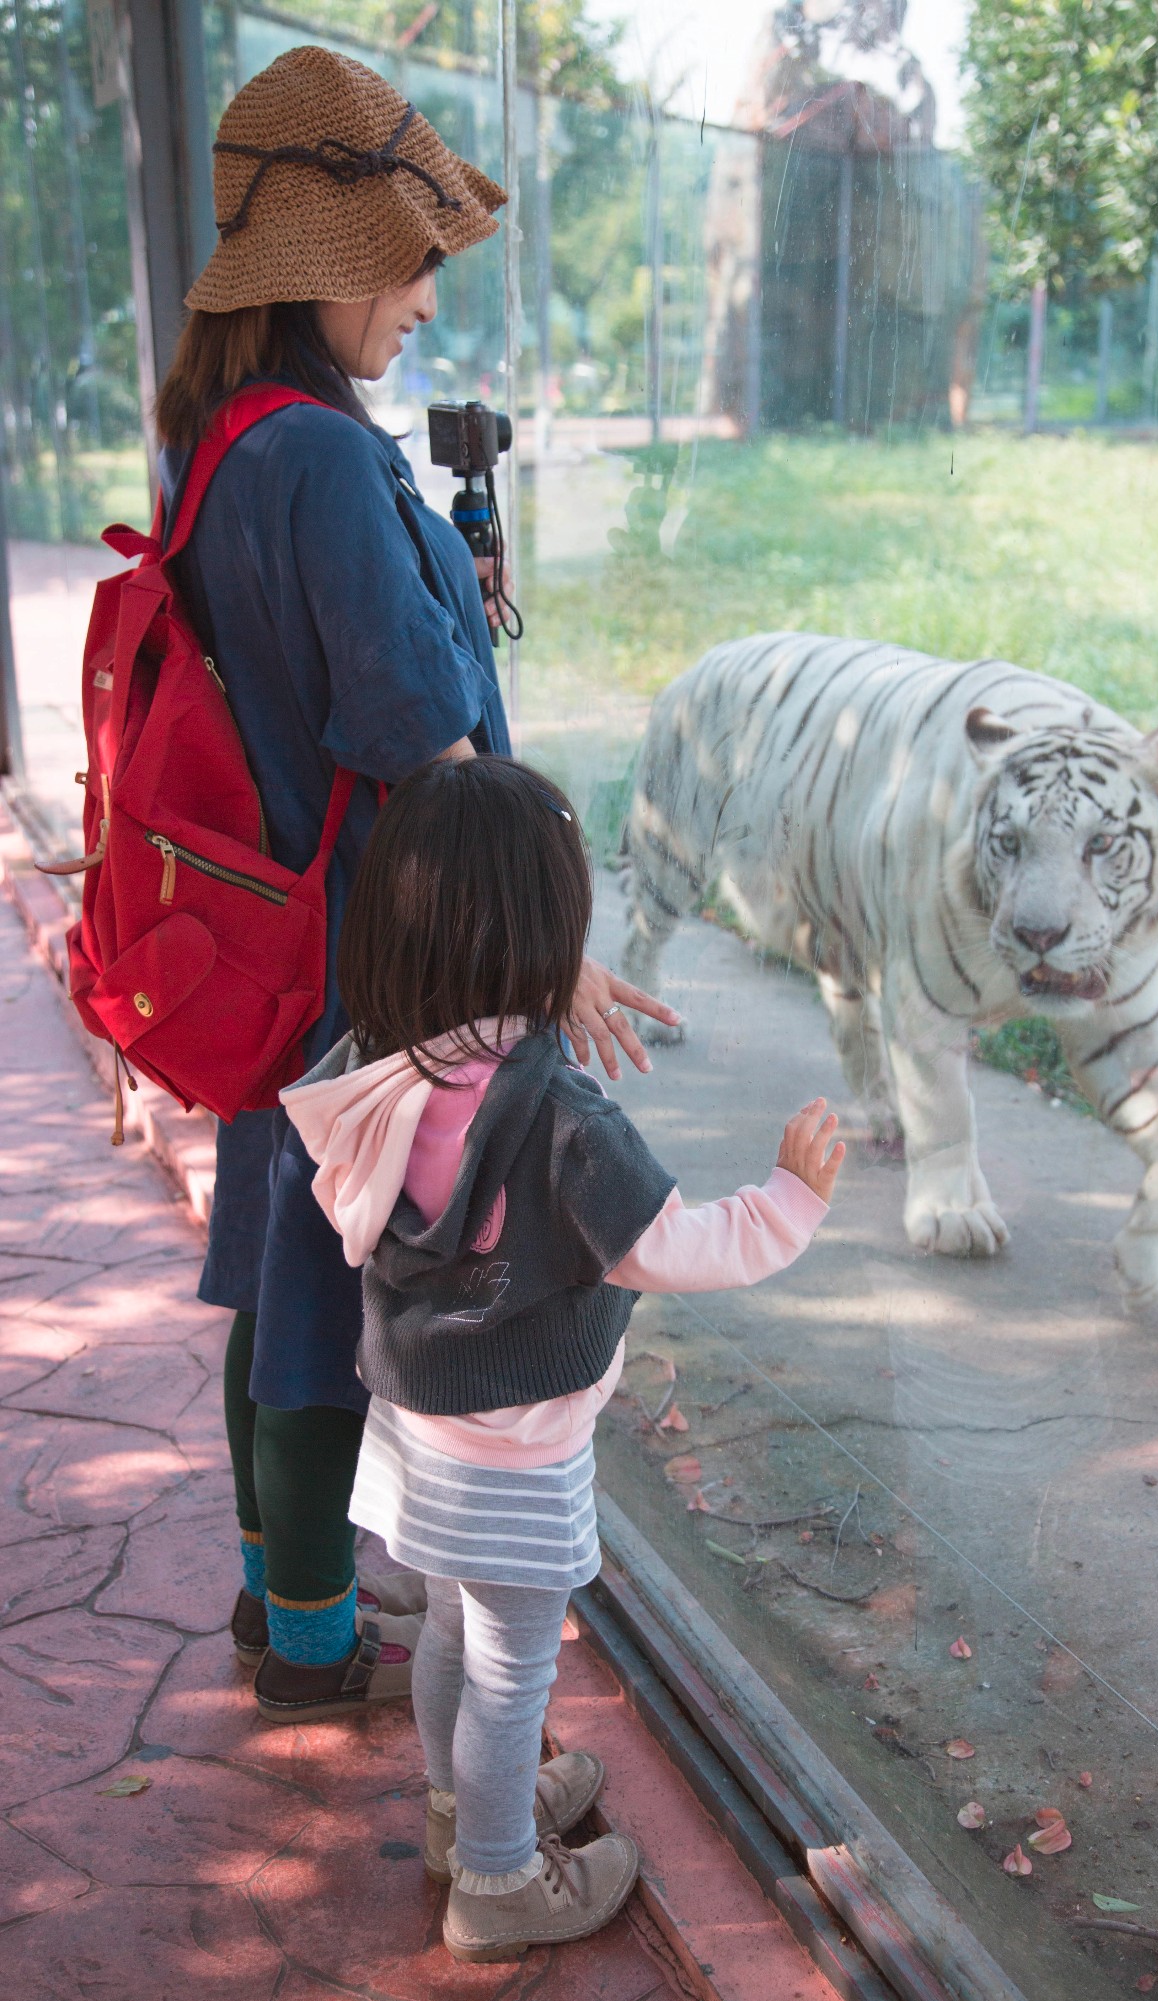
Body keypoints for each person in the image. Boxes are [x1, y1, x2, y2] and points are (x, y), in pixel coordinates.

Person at [155, 44, 676, 1721]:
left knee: (267, 1272)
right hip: (365, 972)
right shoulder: (315, 455)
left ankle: (270, 1582)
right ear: (333, 253)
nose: (429, 303)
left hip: (273, 941)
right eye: (416, 258)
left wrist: (443, 560)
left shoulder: (234, 438)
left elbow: (336, 662)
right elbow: (412, 735)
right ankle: (314, 1643)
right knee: (317, 1295)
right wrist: (554, 954)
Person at [281, 756, 844, 1960]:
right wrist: (789, 1198)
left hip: (418, 1429)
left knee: (447, 1631)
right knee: (510, 1675)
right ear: (550, 927)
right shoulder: (557, 1110)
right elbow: (668, 1246)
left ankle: (459, 1811)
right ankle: (494, 1879)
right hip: (519, 1456)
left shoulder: (381, 1061)